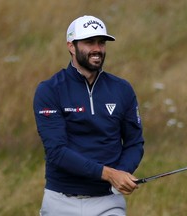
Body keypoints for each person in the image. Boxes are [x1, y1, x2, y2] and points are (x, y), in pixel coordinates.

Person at [33, 15, 144, 216]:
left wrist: (122, 174)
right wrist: (110, 174)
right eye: (89, 42)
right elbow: (57, 151)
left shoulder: (122, 89)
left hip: (108, 201)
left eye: (101, 43)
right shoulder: (50, 90)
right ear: (70, 46)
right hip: (60, 200)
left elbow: (134, 143)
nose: (97, 49)